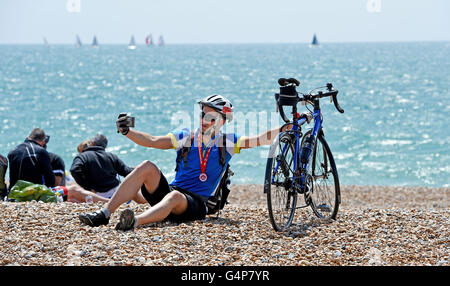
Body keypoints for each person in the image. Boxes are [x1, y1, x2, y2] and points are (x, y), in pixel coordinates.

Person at [79, 95, 289, 231]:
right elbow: (152, 141)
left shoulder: (228, 142)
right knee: (146, 167)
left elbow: (261, 138)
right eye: (202, 115)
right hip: (171, 193)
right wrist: (127, 132)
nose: (204, 120)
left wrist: (285, 128)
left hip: (197, 204)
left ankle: (135, 221)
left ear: (223, 121)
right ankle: (104, 214)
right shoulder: (186, 137)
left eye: (211, 117)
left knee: (175, 196)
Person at [67, 134, 136, 203]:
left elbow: (74, 170)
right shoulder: (111, 156)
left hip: (96, 196)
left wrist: (87, 187)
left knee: (72, 194)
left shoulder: (83, 156)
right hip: (116, 194)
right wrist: (139, 169)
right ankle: (144, 202)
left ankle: (108, 202)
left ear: (92, 143)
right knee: (133, 190)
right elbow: (127, 172)